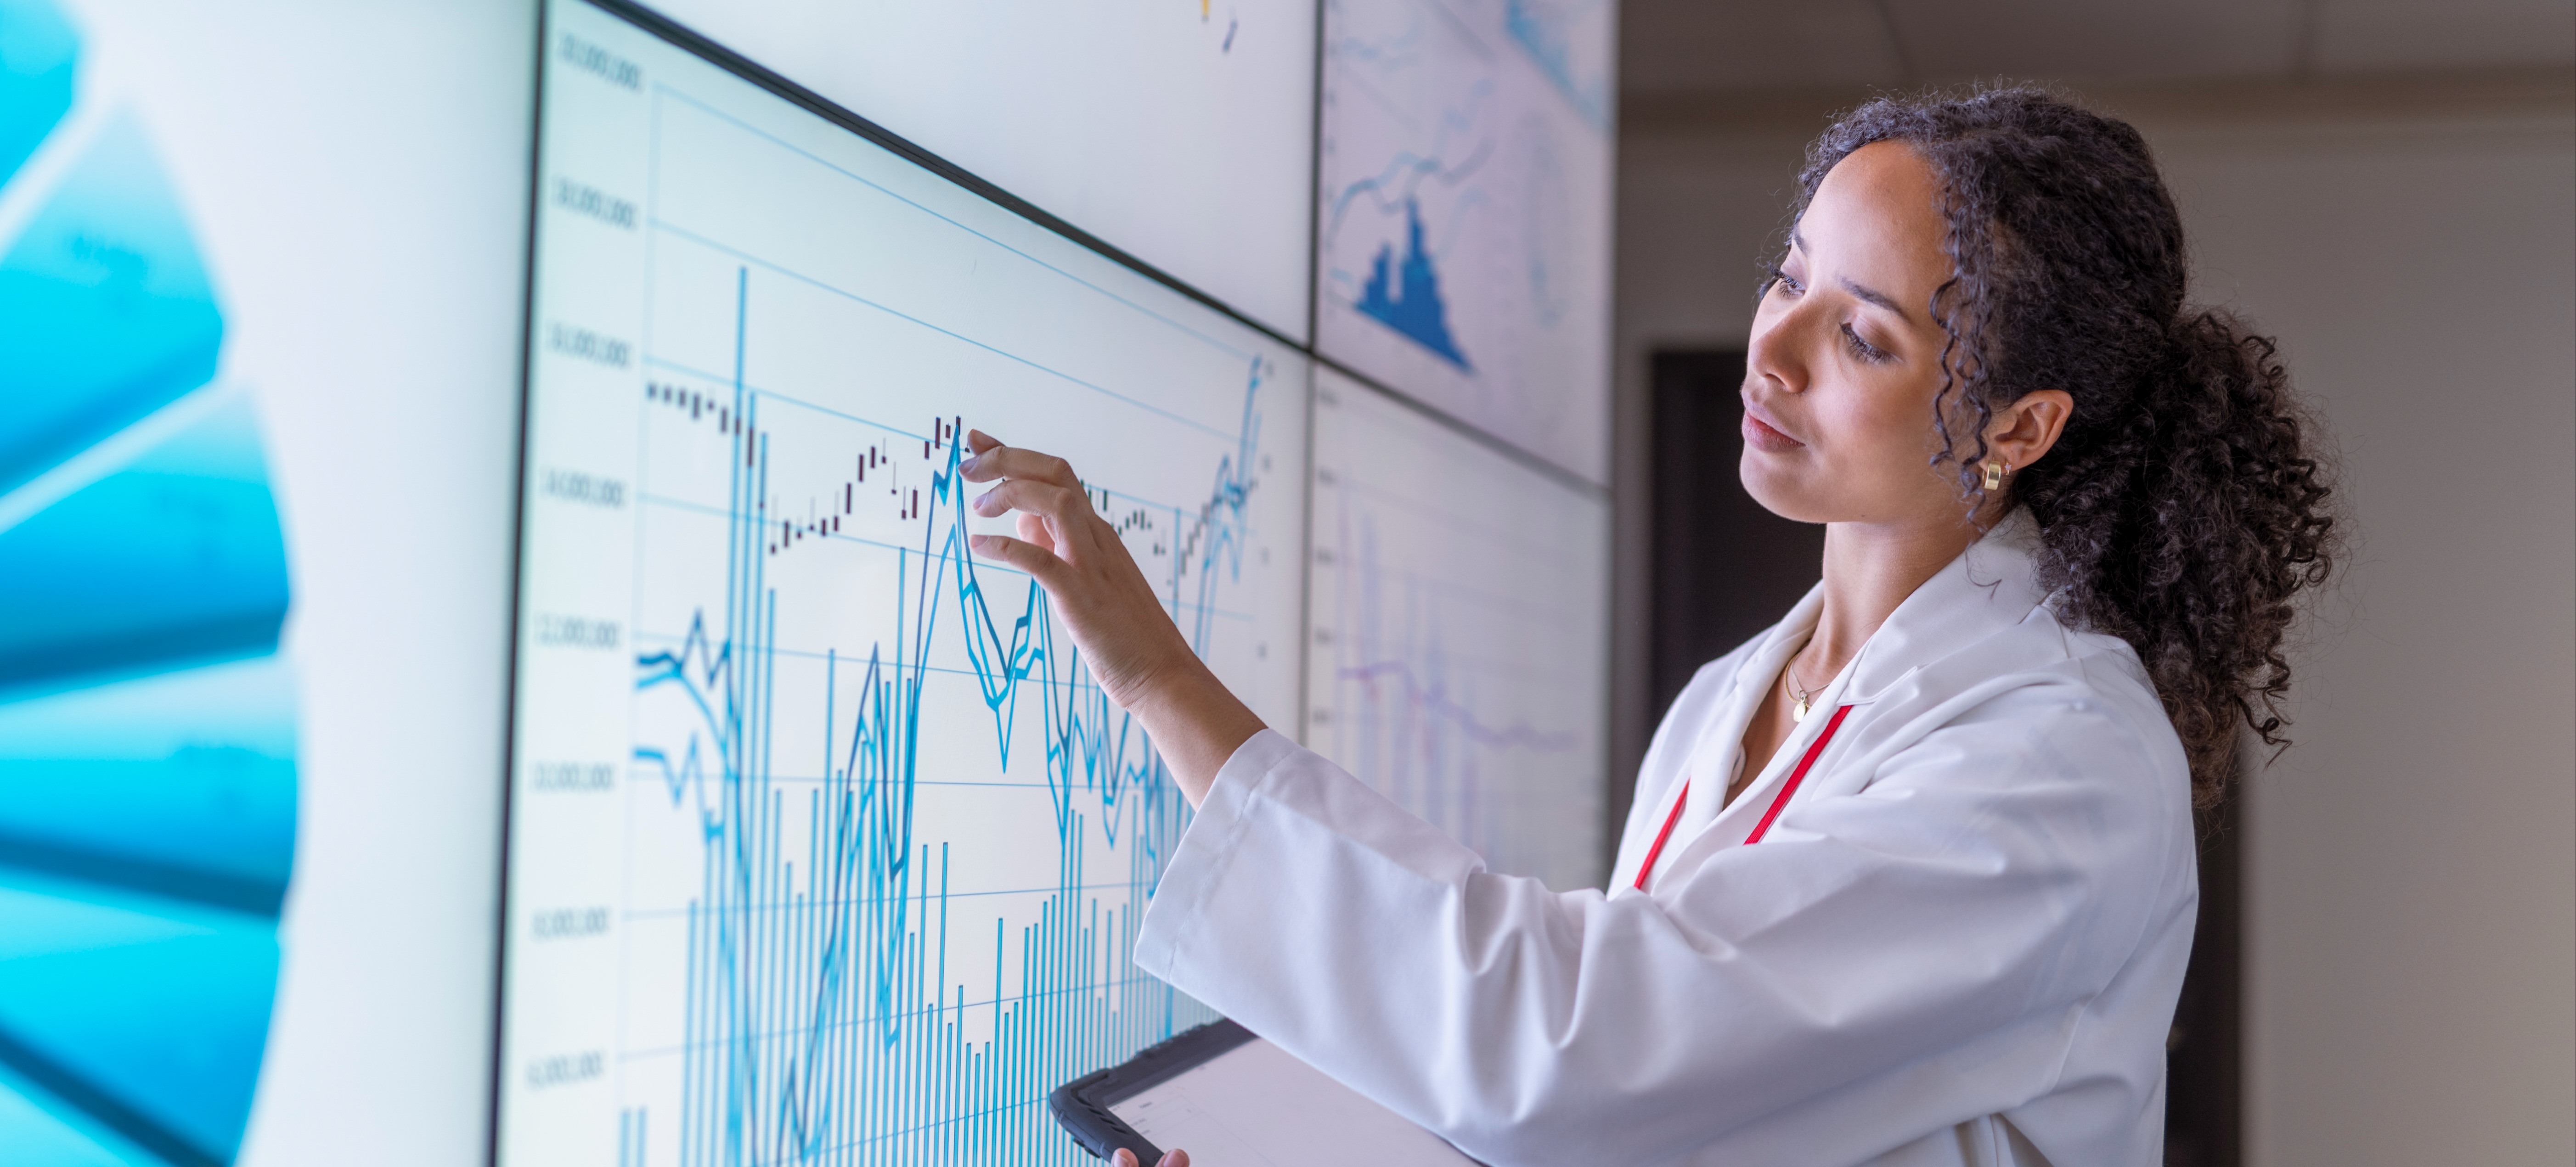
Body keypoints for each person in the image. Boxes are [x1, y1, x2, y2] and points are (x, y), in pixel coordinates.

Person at [963, 87, 2336, 1167]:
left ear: (2017, 428)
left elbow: (1570, 1050)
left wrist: (1157, 680)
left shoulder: (2060, 755)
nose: (1774, 350)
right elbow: (1623, 1130)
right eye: (1785, 277)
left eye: (1861, 338)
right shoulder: (1729, 701)